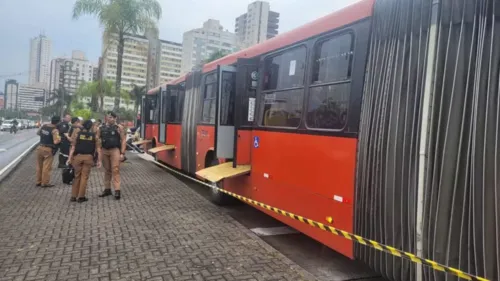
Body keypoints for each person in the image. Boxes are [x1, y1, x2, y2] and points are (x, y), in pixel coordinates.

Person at [68, 120, 101, 202]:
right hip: (88, 158)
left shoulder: (77, 135)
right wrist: (99, 161)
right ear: (91, 127)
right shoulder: (94, 136)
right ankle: (81, 196)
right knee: (84, 177)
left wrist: (69, 158)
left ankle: (73, 196)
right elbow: (98, 150)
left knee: (77, 176)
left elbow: (73, 148)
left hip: (78, 157)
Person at [97, 111, 126, 200]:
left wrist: (122, 153)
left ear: (115, 118)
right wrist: (99, 153)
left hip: (115, 150)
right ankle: (107, 189)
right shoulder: (101, 128)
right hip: (104, 150)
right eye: (108, 117)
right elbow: (97, 140)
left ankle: (117, 191)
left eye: (111, 117)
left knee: (115, 169)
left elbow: (123, 140)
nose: (110, 119)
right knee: (107, 170)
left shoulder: (119, 127)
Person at [36, 116, 61, 187]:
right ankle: (45, 182)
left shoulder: (44, 126)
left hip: (40, 148)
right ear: (58, 122)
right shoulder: (55, 130)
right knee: (46, 167)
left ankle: (38, 181)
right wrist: (60, 138)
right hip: (48, 149)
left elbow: (38, 133)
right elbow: (56, 141)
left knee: (39, 166)